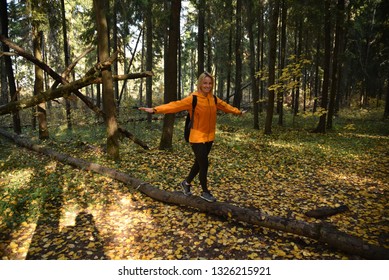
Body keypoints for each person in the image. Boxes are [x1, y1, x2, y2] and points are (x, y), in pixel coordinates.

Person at [139, 72, 244, 202]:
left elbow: (225, 106)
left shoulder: (214, 99)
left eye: (210, 83)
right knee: (204, 164)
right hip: (196, 137)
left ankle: (186, 183)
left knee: (199, 163)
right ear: (200, 83)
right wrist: (155, 109)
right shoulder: (193, 99)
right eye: (205, 83)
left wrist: (238, 112)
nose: (207, 86)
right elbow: (175, 105)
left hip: (209, 137)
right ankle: (205, 192)